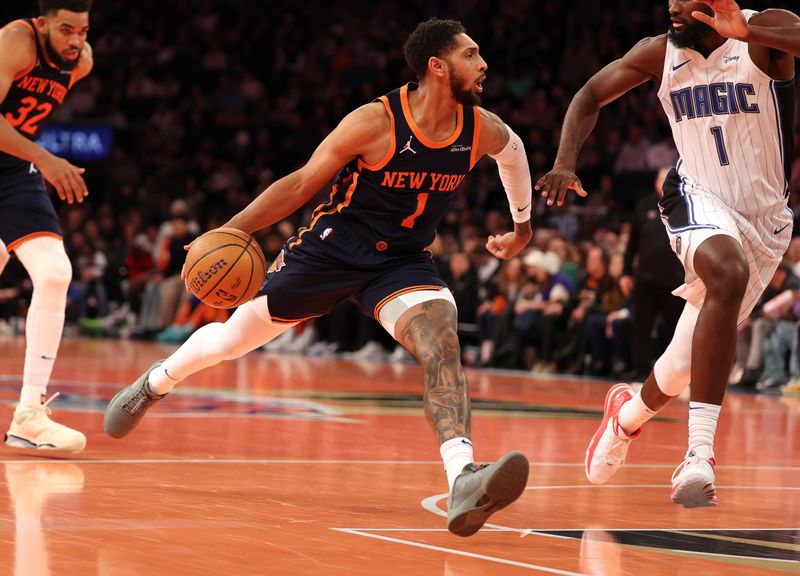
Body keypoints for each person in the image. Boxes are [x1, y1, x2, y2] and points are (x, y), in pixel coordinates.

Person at [104, 18, 532, 537]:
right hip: (330, 251)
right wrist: (230, 229)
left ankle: (463, 476)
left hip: (402, 260)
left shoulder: (480, 126)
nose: (483, 63)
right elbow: (302, 183)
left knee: (441, 340)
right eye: (471, 55)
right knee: (232, 342)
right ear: (437, 68)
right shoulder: (374, 122)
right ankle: (155, 382)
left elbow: (513, 153)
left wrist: (522, 226)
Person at [537, 0, 798, 508]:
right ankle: (699, 453)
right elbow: (589, 94)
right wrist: (566, 160)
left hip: (765, 222)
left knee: (680, 366)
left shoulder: (763, 35)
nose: (673, 6)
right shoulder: (660, 53)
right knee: (727, 272)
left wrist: (744, 29)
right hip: (694, 196)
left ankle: (626, 415)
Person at [0, 0, 93, 453]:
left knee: (55, 273)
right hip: (26, 160)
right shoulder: (15, 40)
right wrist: (45, 157)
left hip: (14, 172)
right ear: (42, 24)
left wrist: (34, 157)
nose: (75, 40)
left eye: (83, 30)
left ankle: (29, 416)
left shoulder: (81, 62)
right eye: (65, 29)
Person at [619, 167, 685, 381]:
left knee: (676, 331)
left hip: (675, 281)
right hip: (645, 278)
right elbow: (632, 243)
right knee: (642, 327)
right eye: (662, 179)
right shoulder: (644, 205)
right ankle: (640, 373)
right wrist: (625, 273)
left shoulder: (683, 205)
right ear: (656, 182)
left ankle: (672, 377)